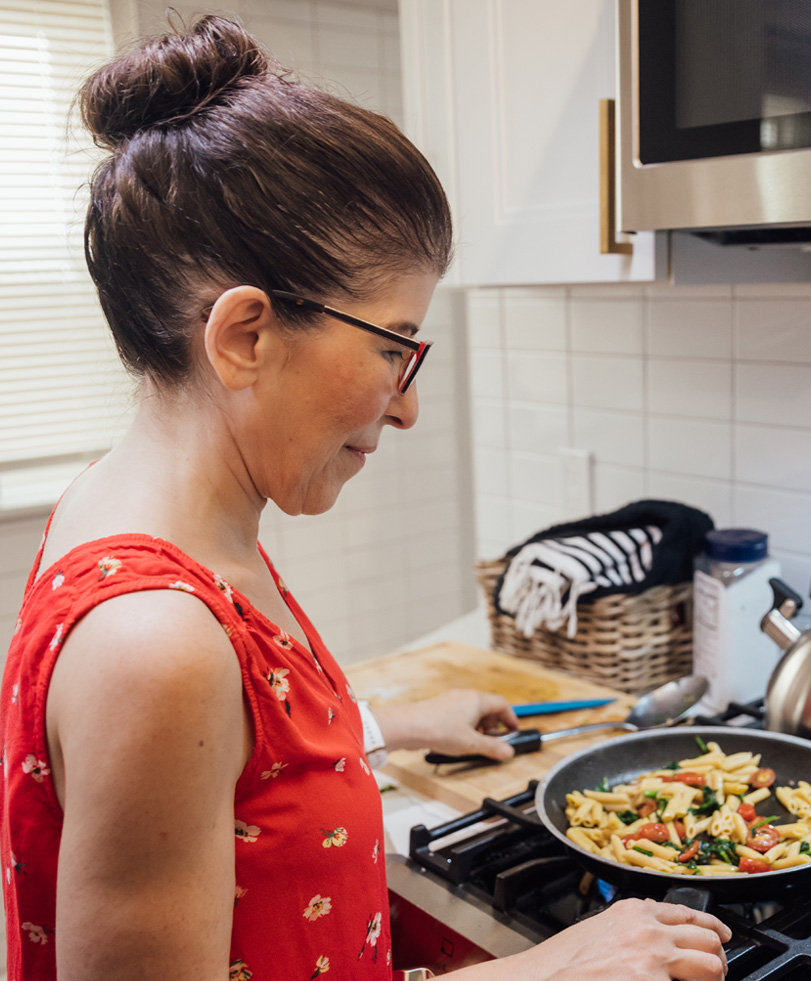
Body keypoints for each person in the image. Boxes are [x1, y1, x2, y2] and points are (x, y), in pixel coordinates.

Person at [0, 15, 730, 981]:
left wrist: (380, 727)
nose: (410, 404)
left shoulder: (129, 507)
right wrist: (545, 969)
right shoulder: (156, 645)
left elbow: (236, 775)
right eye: (396, 347)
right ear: (246, 336)